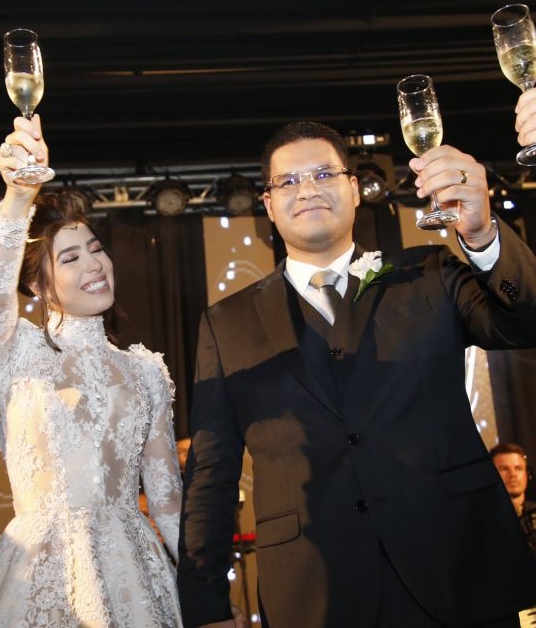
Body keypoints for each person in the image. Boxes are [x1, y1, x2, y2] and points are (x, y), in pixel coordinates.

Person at [178, 94, 536, 627]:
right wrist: (205, 603)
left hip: (458, 565)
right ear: (269, 204)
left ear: (353, 188)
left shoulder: (428, 272)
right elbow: (212, 471)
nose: (308, 189)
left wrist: (481, 234)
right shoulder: (225, 323)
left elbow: (524, 323)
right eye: (289, 181)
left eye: (324, 174)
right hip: (315, 591)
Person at [0, 116, 182, 627]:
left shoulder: (145, 372)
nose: (94, 265)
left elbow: (168, 502)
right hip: (40, 572)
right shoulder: (15, 349)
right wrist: (18, 196)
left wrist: (208, 591)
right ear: (37, 285)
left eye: (96, 249)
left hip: (133, 570)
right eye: (71, 258)